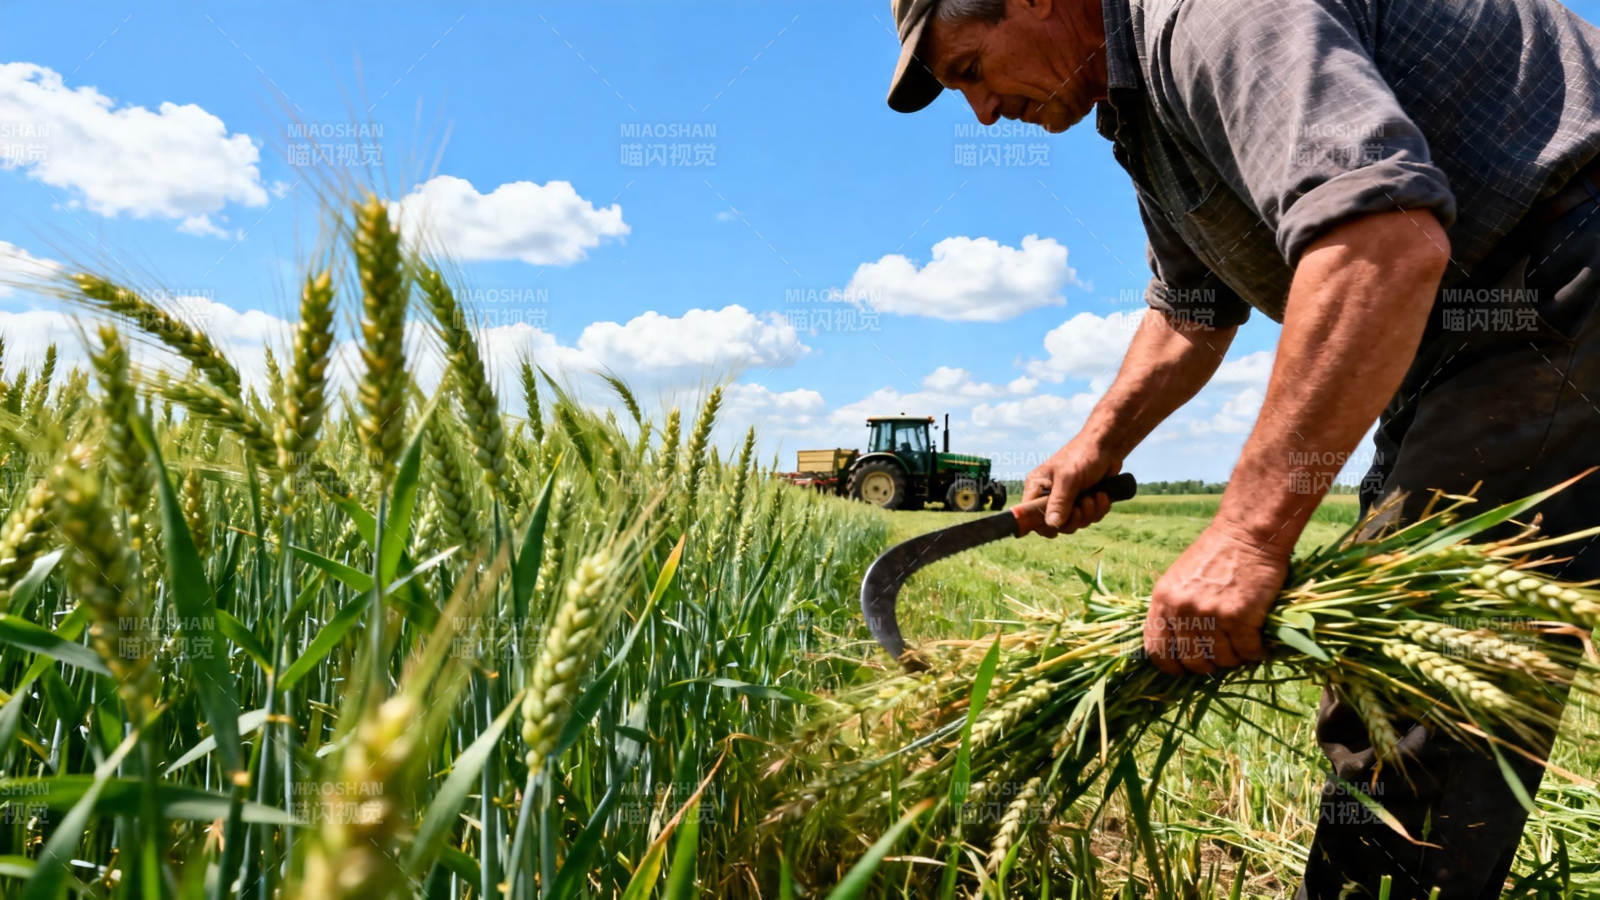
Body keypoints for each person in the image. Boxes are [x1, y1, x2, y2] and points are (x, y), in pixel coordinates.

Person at [883, 0, 1600, 896]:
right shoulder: (1140, 109)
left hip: (1560, 261)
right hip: (1474, 318)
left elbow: (1381, 236)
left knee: (1413, 686)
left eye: (969, 71)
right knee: (1401, 654)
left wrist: (1247, 534)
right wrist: (1092, 446)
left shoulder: (1214, 16)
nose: (982, 112)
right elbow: (1191, 308)